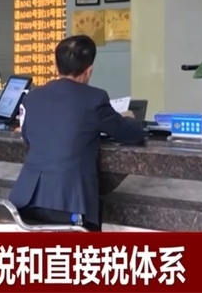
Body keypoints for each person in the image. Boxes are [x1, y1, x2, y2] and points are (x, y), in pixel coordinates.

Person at [8, 35, 144, 231]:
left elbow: (28, 138)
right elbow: (131, 134)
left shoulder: (32, 98)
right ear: (89, 70)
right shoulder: (95, 98)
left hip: (26, 201)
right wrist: (129, 118)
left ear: (55, 65)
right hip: (70, 205)